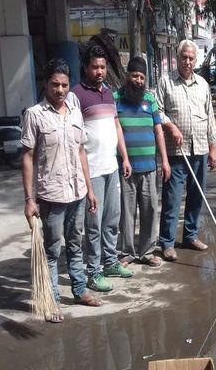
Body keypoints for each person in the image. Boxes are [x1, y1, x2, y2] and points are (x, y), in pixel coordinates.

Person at [21, 58, 102, 323]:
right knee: (53, 250)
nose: (60, 90)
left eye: (65, 85)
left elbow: (81, 152)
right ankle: (53, 300)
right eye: (55, 84)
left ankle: (79, 291)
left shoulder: (75, 111)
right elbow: (28, 157)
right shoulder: (34, 115)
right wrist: (29, 199)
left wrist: (90, 189)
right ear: (46, 84)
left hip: (77, 193)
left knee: (76, 245)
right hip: (51, 196)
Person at [72, 45, 133, 293]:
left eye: (103, 67)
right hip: (92, 171)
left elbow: (116, 126)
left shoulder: (109, 93)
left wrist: (125, 157)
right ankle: (93, 271)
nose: (100, 71)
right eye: (95, 67)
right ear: (85, 68)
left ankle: (110, 262)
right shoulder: (76, 95)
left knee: (112, 219)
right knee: (93, 224)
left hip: (111, 166)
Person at [156, 39, 216, 262]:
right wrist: (171, 126)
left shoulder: (202, 84)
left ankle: (191, 236)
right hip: (176, 153)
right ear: (177, 58)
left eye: (191, 58)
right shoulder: (166, 82)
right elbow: (158, 111)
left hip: (200, 149)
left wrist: (213, 147)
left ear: (196, 59)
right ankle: (167, 243)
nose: (188, 62)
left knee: (196, 196)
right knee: (172, 199)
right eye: (184, 57)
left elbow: (210, 116)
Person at [115, 57, 171, 267]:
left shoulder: (150, 99)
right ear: (127, 76)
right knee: (127, 214)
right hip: (126, 168)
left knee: (149, 211)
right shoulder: (116, 99)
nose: (138, 80)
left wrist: (164, 160)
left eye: (141, 77)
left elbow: (158, 130)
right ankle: (127, 252)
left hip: (149, 167)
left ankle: (147, 251)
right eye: (134, 75)